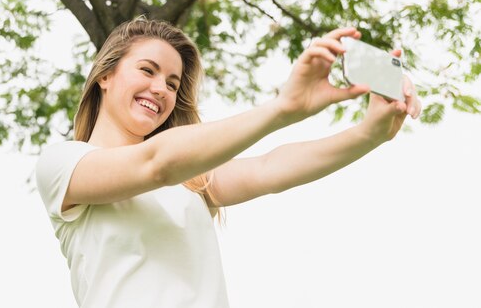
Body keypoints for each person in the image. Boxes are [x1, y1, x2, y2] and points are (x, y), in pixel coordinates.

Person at [35, 18, 421, 308]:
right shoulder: (63, 163)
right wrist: (282, 109)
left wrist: (368, 134)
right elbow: (156, 163)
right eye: (148, 70)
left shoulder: (190, 183)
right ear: (105, 74)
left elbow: (269, 169)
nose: (160, 89)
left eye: (172, 83)